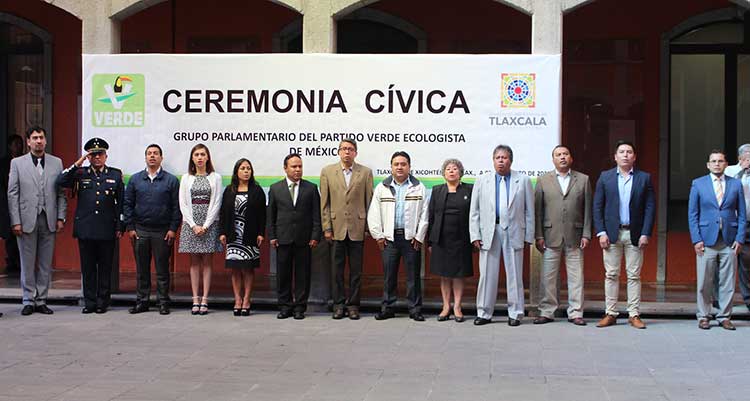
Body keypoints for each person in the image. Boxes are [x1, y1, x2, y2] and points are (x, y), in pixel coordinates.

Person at [593, 139, 655, 329]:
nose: (625, 155)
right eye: (622, 152)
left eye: (629, 152)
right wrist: (601, 232)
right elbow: (598, 206)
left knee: (634, 275)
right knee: (611, 274)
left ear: (634, 157)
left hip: (635, 233)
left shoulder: (644, 178)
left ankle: (634, 314)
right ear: (615, 156)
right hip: (611, 234)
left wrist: (646, 233)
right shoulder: (605, 177)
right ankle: (610, 313)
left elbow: (650, 207)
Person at [57, 137, 124, 314]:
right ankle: (90, 302)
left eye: (100, 154)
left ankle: (103, 302)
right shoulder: (81, 173)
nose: (97, 158)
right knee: (87, 268)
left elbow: (121, 203)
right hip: (86, 228)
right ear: (88, 157)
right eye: (93, 155)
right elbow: (61, 180)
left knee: (105, 267)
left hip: (106, 227)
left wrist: (119, 227)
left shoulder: (115, 175)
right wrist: (78, 162)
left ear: (106, 156)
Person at [470, 144, 534, 327]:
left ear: (510, 160)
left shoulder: (522, 180)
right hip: (489, 231)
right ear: (493, 160)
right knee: (487, 274)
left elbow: (529, 211)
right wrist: (475, 234)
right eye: (497, 157)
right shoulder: (482, 180)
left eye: (504, 157)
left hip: (513, 231)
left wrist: (528, 236)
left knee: (514, 274)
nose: (501, 161)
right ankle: (484, 312)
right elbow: (474, 211)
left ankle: (515, 312)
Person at [7, 126, 66, 316]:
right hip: (26, 220)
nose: (38, 141)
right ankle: (28, 300)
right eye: (35, 138)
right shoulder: (17, 163)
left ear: (46, 141)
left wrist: (60, 217)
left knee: (45, 263)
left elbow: (61, 193)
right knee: (27, 261)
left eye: (41, 137)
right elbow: (12, 193)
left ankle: (42, 299)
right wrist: (15, 221)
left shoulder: (56, 163)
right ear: (28, 141)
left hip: (48, 218)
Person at [533, 145, 591, 326]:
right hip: (550, 235)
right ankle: (547, 311)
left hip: (575, 235)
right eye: (558, 155)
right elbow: (538, 211)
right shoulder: (543, 180)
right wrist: (538, 235)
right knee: (548, 277)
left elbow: (588, 209)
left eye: (566, 154)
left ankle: (575, 312)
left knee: (576, 276)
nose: (562, 157)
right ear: (553, 160)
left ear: (571, 158)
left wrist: (587, 234)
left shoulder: (583, 180)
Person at [368, 151, 429, 321]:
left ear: (409, 167)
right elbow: (374, 213)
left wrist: (419, 236)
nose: (400, 167)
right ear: (391, 167)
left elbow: (425, 214)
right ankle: (388, 308)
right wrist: (378, 236)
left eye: (403, 164)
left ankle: (415, 309)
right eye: (396, 164)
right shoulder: (382, 187)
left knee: (413, 277)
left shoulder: (419, 187)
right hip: (389, 239)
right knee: (389, 276)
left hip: (411, 240)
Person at [688, 150, 745, 330]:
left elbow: (743, 214)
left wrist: (740, 238)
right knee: (705, 280)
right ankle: (703, 315)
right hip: (706, 240)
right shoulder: (698, 184)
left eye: (720, 161)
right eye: (713, 161)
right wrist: (696, 239)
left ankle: (724, 316)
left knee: (727, 281)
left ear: (726, 164)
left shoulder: (736, 185)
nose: (717, 164)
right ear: (708, 165)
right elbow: (692, 214)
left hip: (729, 239)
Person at [123, 144, 181, 315]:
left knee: (162, 269)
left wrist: (172, 229)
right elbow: (127, 205)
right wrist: (130, 227)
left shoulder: (171, 180)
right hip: (140, 230)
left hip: (162, 231)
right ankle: (142, 301)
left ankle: (163, 302)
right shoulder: (135, 179)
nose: (152, 156)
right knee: (142, 269)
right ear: (145, 157)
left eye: (156, 153)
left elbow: (176, 207)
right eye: (149, 154)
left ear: (161, 158)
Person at [319, 139, 373, 320]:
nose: (347, 152)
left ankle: (353, 305)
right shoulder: (327, 172)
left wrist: (367, 227)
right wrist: (327, 227)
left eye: (350, 149)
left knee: (356, 271)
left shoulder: (365, 173)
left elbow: (369, 202)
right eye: (343, 149)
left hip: (357, 228)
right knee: (337, 270)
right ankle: (339, 304)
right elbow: (324, 203)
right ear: (338, 152)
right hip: (336, 228)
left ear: (356, 152)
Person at [267, 153, 321, 320]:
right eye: (294, 166)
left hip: (304, 239)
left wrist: (315, 236)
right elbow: (271, 216)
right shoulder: (275, 188)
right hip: (282, 238)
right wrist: (272, 236)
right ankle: (285, 306)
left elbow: (316, 215)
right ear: (285, 168)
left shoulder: (311, 188)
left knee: (302, 275)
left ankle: (300, 307)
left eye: (300, 166)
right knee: (283, 274)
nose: (298, 170)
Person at [178, 143, 222, 315]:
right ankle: (195, 299)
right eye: (196, 155)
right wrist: (193, 225)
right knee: (194, 262)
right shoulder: (186, 178)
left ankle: (205, 299)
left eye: (203, 154)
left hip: (209, 223)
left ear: (208, 157)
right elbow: (183, 203)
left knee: (208, 262)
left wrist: (205, 225)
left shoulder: (215, 177)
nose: (200, 157)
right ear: (192, 158)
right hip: (191, 224)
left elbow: (216, 202)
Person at [427, 158, 473, 322]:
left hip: (462, 239)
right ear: (443, 173)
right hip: (441, 239)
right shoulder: (437, 190)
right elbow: (431, 216)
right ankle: (446, 306)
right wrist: (430, 241)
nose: (451, 171)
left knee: (459, 274)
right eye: (448, 169)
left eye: (455, 168)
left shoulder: (470, 190)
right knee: (444, 274)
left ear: (460, 172)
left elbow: (475, 215)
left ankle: (457, 307)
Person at [219, 158, 266, 316]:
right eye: (243, 168)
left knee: (248, 268)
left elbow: (262, 215)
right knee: (235, 269)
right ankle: (237, 299)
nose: (246, 171)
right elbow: (224, 213)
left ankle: (247, 299)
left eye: (248, 169)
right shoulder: (229, 190)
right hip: (234, 235)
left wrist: (261, 233)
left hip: (250, 234)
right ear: (236, 171)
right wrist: (222, 232)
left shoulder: (257, 190)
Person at [0, 135, 24, 272]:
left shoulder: (26, 161)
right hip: (7, 204)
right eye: (15, 144)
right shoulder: (3, 163)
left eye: (20, 144)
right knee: (9, 235)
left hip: (23, 203)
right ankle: (11, 261)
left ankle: (21, 261)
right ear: (10, 146)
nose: (18, 147)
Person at [731, 149, 750, 312]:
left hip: (749, 223)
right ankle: (719, 300)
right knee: (724, 260)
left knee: (746, 263)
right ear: (740, 158)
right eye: (747, 156)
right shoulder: (731, 171)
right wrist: (741, 170)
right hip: (733, 222)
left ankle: (748, 299)